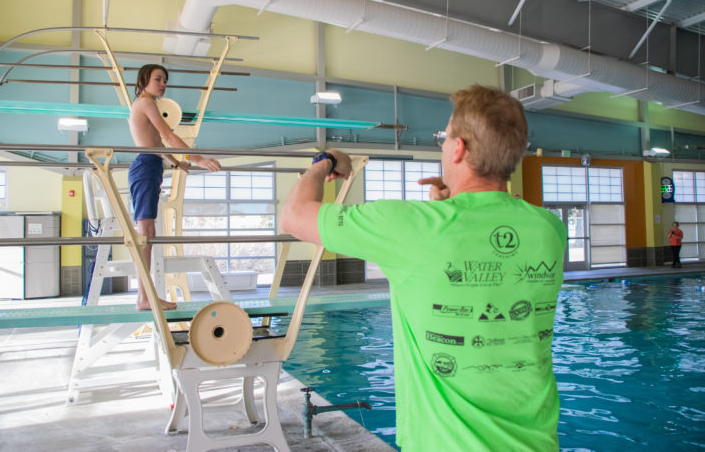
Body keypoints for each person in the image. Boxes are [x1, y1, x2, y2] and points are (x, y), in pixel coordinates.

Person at [280, 84, 567, 451]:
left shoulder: (412, 227)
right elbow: (484, 244)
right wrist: (451, 206)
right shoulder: (549, 230)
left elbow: (294, 215)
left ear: (458, 148)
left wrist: (327, 160)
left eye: (444, 138)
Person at [128, 64, 221, 310]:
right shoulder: (146, 103)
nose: (163, 84)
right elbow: (167, 135)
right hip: (146, 166)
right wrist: (197, 158)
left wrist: (176, 162)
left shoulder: (145, 105)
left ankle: (144, 296)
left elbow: (156, 143)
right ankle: (144, 297)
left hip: (151, 164)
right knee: (145, 233)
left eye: (165, 80)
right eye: (158, 79)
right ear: (144, 79)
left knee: (148, 233)